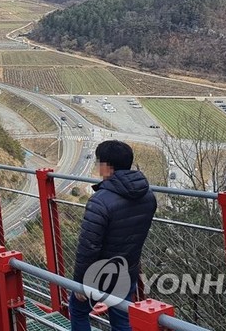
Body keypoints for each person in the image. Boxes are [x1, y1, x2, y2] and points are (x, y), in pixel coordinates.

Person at [69, 141, 157, 331]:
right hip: (127, 270)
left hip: (98, 273)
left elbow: (88, 247)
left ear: (107, 166)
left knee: (78, 310)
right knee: (122, 321)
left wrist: (80, 282)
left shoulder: (100, 201)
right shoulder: (148, 196)